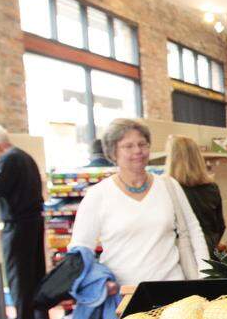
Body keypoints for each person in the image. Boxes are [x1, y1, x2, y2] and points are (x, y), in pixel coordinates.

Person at [69, 119, 208, 287]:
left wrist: (204, 274)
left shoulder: (168, 185)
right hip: (123, 294)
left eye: (142, 144)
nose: (138, 151)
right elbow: (80, 248)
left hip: (172, 289)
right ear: (113, 153)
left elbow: (194, 230)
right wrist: (97, 282)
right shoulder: (98, 195)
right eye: (128, 146)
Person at [0, 125, 46, 319]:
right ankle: (40, 316)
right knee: (35, 271)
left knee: (18, 273)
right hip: (33, 221)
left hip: (18, 224)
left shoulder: (8, 159)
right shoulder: (25, 156)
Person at [166, 135, 225, 256]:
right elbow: (220, 226)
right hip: (209, 253)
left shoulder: (167, 190)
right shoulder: (212, 188)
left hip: (180, 257)